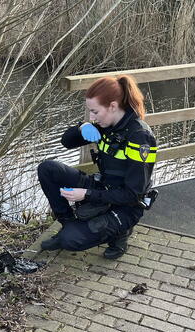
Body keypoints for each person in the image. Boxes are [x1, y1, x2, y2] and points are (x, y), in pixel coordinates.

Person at [37, 74, 157, 259]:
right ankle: (68, 225)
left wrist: (86, 194)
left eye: (94, 112)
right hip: (103, 187)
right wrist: (82, 126)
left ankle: (120, 235)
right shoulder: (105, 124)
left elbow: (133, 194)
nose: (92, 116)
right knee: (48, 169)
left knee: (70, 241)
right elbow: (66, 142)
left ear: (113, 106)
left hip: (127, 206)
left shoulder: (140, 138)